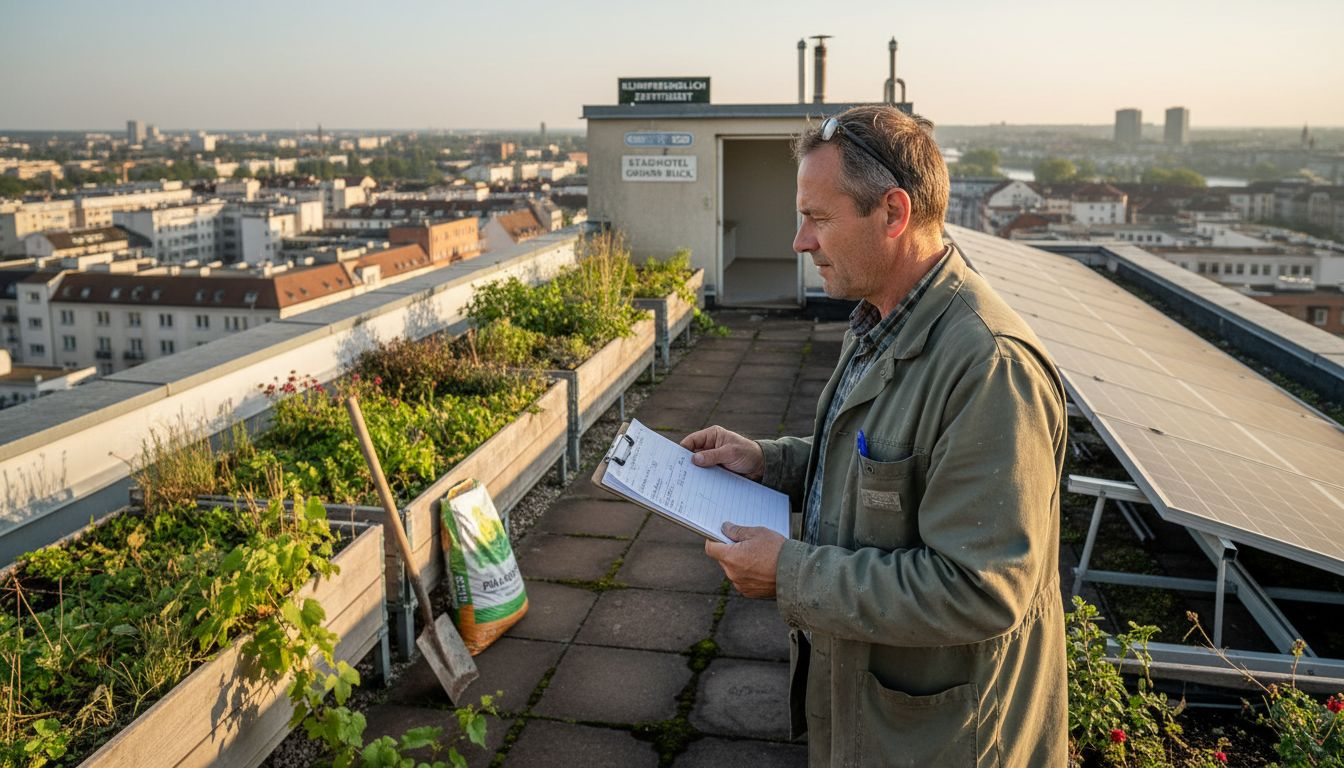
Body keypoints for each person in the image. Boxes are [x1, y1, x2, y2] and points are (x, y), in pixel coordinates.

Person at [681, 105, 1068, 767]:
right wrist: (768, 463)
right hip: (877, 723)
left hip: (948, 743)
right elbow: (884, 463)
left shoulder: (990, 367)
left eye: (818, 218)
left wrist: (789, 572)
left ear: (892, 212)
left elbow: (980, 588)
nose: (800, 242)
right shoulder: (880, 319)